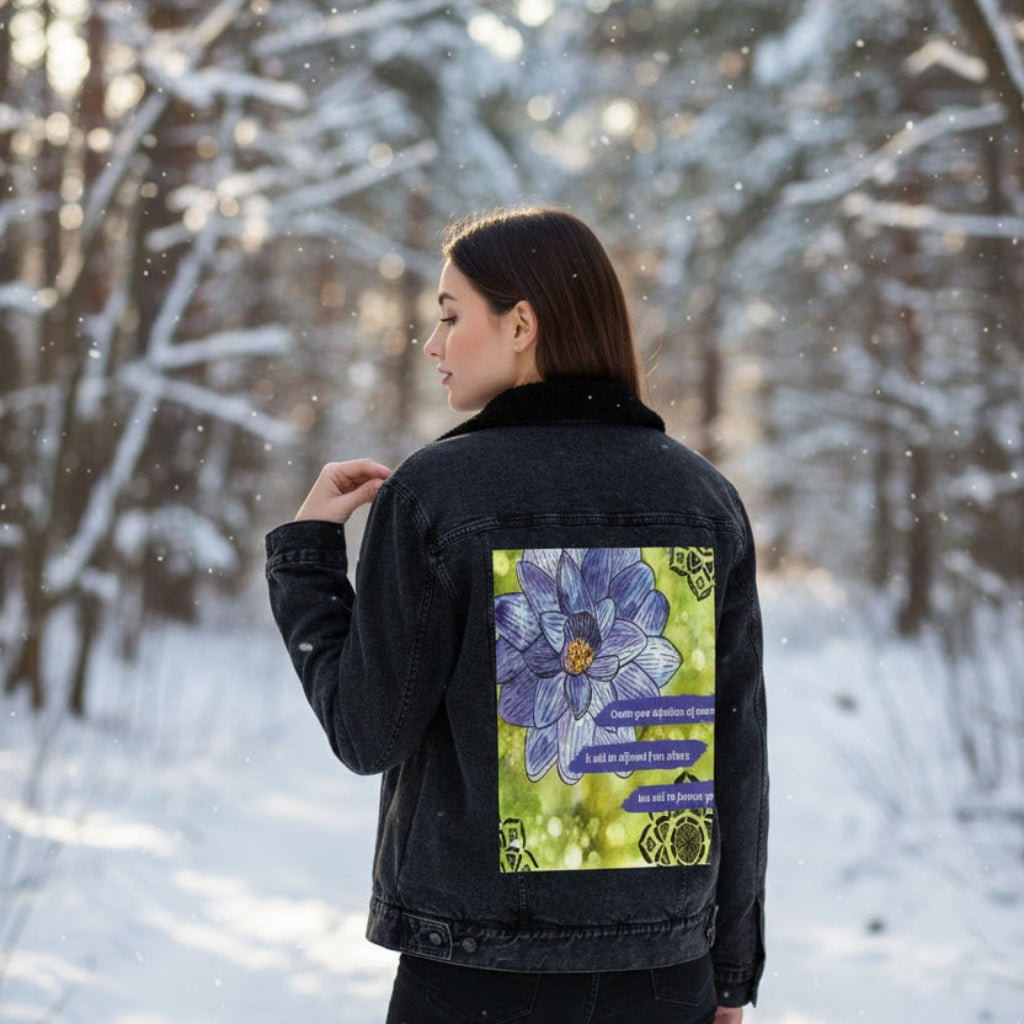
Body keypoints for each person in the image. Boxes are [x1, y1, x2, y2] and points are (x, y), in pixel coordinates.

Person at [265, 206, 768, 1024]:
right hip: (663, 972)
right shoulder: (705, 501)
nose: (431, 343)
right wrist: (730, 975)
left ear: (523, 323)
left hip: (476, 976)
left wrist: (306, 560)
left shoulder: (436, 495)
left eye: (451, 315)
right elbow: (737, 759)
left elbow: (367, 733)